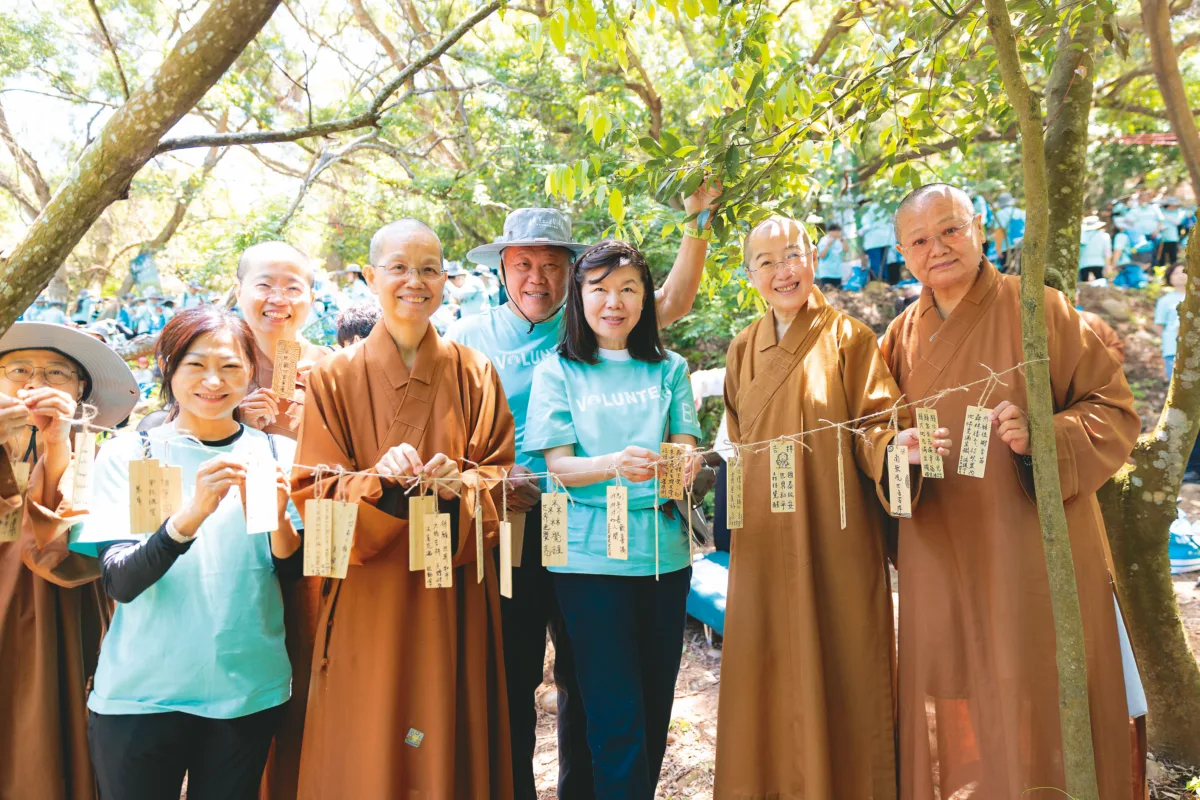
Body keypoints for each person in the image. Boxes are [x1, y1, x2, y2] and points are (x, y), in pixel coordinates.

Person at [449, 182, 719, 800]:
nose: (537, 278)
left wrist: (697, 223)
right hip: (512, 521)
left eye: (551, 265)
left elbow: (668, 296)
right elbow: (446, 419)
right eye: (523, 265)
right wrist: (489, 474)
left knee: (588, 675)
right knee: (515, 666)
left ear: (572, 272)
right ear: (501, 269)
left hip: (595, 525)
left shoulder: (597, 324)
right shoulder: (468, 337)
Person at [880, 183, 1144, 799]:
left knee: (1042, 670)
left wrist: (1045, 438)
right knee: (961, 679)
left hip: (1029, 536)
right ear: (901, 252)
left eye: (950, 230)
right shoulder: (898, 336)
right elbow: (874, 434)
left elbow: (1114, 409)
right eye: (919, 240)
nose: (937, 248)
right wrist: (898, 453)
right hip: (941, 542)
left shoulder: (1038, 308)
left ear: (981, 230)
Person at [713, 216, 951, 799]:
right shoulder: (743, 348)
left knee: (845, 656)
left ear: (813, 259)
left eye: (791, 255)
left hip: (835, 532)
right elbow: (736, 446)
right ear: (749, 276)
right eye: (764, 262)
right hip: (765, 539)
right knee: (767, 662)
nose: (781, 271)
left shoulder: (850, 338)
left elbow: (876, 423)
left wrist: (897, 446)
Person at [292, 219, 515, 798]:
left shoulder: (475, 372)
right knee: (367, 734)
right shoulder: (333, 378)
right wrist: (371, 484)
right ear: (370, 277)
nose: (414, 282)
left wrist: (459, 483)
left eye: (429, 269)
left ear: (446, 280)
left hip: (449, 588)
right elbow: (312, 497)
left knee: (443, 723)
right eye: (398, 267)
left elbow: (500, 478)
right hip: (371, 589)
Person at [70, 306, 301, 800]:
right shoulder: (129, 453)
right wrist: (189, 516)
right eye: (195, 365)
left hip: (246, 691)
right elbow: (121, 583)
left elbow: (291, 571)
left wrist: (280, 512)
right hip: (140, 696)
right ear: (168, 368)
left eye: (231, 366)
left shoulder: (277, 453)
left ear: (250, 373)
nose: (213, 381)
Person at [524, 240, 703, 797]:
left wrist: (685, 463)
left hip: (663, 559)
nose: (614, 302)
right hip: (588, 564)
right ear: (579, 298)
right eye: (599, 289)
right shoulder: (559, 371)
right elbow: (558, 467)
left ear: (646, 297)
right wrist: (614, 464)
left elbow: (681, 455)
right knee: (613, 711)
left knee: (654, 706)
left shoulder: (670, 369)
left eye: (628, 288)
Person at [0, 320, 140, 800]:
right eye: (18, 369)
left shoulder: (97, 456)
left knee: (50, 746)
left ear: (81, 391)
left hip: (59, 620)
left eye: (56, 374)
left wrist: (58, 441)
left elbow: (69, 560)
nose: (35, 383)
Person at [1156, 262, 1187, 379]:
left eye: (1184, 272)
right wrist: (1167, 339)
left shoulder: (1196, 298)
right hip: (1172, 349)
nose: (1181, 275)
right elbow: (1159, 325)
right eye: (1176, 273)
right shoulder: (1165, 300)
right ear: (1170, 277)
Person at [859, 200, 893, 282]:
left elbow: (867, 226)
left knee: (875, 263)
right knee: (883, 263)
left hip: (873, 242)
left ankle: (876, 282)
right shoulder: (883, 209)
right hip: (885, 240)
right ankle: (885, 281)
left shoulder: (867, 211)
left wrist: (860, 232)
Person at [992, 192, 1026, 271]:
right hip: (1024, 246)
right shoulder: (1022, 212)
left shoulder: (1000, 214)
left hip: (1008, 249)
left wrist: (998, 248)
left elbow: (999, 231)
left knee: (1008, 274)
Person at [1112, 217, 1148, 288]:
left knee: (1124, 284)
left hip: (1125, 262)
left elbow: (1118, 250)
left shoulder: (1121, 236)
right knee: (1135, 282)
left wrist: (1114, 263)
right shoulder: (1133, 235)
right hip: (1135, 260)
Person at [1079, 214, 1112, 283]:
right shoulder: (1105, 236)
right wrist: (1108, 266)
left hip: (1083, 264)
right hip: (1099, 263)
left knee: (1084, 285)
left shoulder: (1081, 235)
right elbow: (1107, 252)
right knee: (1100, 284)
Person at [815, 223, 845, 288]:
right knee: (827, 293)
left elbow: (846, 250)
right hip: (826, 273)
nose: (838, 233)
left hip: (837, 273)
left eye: (839, 231)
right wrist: (828, 245)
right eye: (837, 231)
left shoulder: (839, 240)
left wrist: (842, 240)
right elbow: (822, 256)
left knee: (838, 294)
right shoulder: (824, 240)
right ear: (831, 231)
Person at [1160, 196, 1184, 266]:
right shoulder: (1161, 211)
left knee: (1173, 257)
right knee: (1161, 257)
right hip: (1162, 238)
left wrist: (1165, 216)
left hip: (1173, 238)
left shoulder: (1177, 212)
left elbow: (1178, 222)